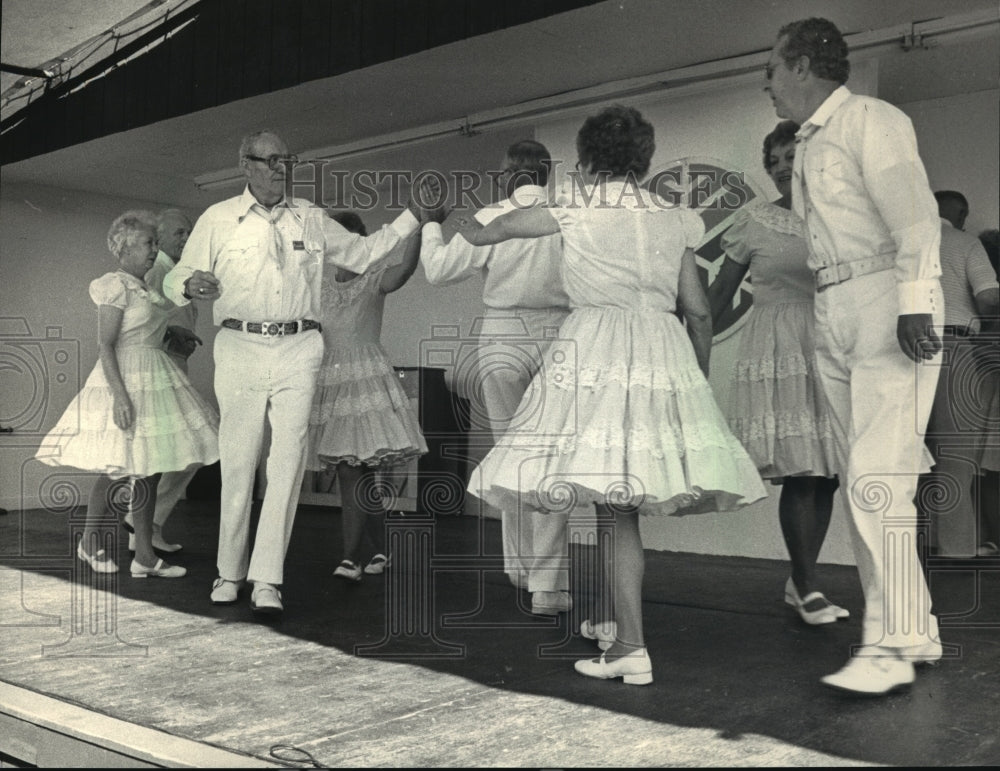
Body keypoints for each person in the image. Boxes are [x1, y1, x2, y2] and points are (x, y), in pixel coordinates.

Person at [457, 105, 767, 685]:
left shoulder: (574, 206)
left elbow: (487, 231)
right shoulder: (674, 217)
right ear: (643, 159)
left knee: (610, 501)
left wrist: (468, 223)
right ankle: (620, 634)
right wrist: (693, 380)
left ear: (588, 158)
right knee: (617, 506)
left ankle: (629, 642)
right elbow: (698, 310)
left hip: (595, 346)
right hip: (659, 349)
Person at [162, 129, 433, 615]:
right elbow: (176, 275)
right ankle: (229, 572)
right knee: (240, 462)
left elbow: (367, 252)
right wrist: (189, 282)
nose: (278, 169)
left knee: (285, 467)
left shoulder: (311, 218)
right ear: (245, 164)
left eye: (285, 160)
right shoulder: (218, 218)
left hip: (300, 346)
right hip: (240, 344)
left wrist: (414, 215)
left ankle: (268, 579)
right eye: (268, 161)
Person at [765, 17, 945, 695]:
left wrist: (915, 300)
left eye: (773, 69)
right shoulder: (810, 143)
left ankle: (889, 644)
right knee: (867, 475)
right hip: (834, 305)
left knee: (878, 474)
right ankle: (914, 629)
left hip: (885, 298)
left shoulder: (872, 119)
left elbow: (914, 213)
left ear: (804, 66)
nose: (768, 83)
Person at [420, 139, 574, 615]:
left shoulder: (489, 217)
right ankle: (547, 583)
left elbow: (437, 271)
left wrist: (430, 225)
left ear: (508, 176)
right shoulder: (568, 214)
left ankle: (519, 567)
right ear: (546, 173)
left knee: (511, 453)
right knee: (550, 458)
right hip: (559, 336)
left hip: (503, 334)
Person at [708, 120, 845, 625]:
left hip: (830, 346)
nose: (784, 169)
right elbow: (720, 293)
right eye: (775, 162)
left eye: (792, 158)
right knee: (802, 473)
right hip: (778, 346)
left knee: (826, 473)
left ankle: (800, 580)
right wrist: (687, 343)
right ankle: (808, 586)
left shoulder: (840, 218)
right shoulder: (756, 220)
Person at [36, 210, 219, 579]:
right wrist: (120, 397)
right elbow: (106, 344)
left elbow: (144, 331)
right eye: (149, 243)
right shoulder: (112, 285)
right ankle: (88, 542)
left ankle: (145, 556)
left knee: (149, 469)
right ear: (124, 248)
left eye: (155, 242)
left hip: (156, 375)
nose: (154, 250)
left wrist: (172, 335)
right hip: (123, 380)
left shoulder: (149, 288)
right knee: (115, 468)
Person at [307, 210, 427, 581]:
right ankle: (377, 550)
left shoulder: (374, 277)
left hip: (365, 380)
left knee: (353, 470)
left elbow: (404, 269)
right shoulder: (319, 286)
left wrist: (420, 225)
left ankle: (350, 557)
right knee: (357, 473)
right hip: (331, 380)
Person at [920, 192, 999, 557]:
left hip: (906, 347)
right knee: (955, 453)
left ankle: (915, 541)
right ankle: (955, 547)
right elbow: (987, 299)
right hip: (954, 346)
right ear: (962, 215)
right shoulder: (965, 242)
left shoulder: (905, 242)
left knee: (910, 451)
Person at [123, 209, 199, 554]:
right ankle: (142, 522)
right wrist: (173, 334)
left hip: (174, 365)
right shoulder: (158, 271)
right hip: (163, 368)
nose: (186, 239)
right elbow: (143, 320)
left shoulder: (173, 270)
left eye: (189, 233)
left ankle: (144, 528)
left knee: (172, 452)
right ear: (162, 236)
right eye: (180, 233)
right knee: (188, 449)